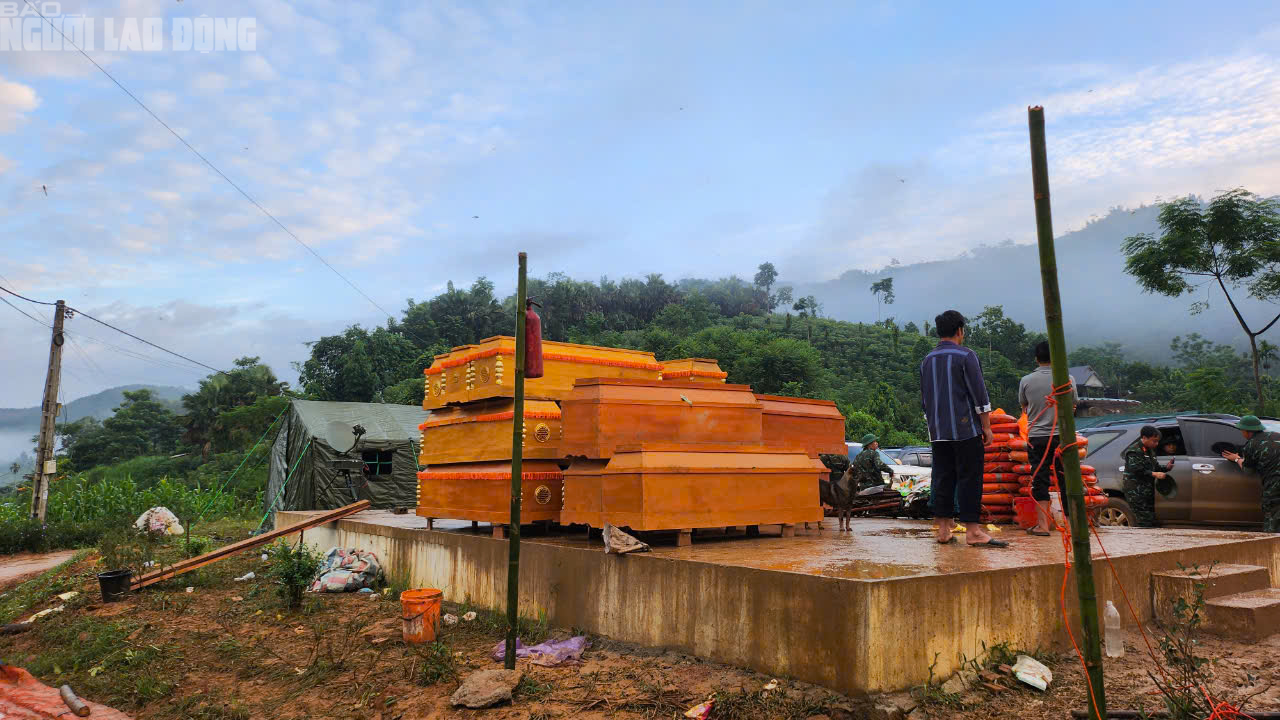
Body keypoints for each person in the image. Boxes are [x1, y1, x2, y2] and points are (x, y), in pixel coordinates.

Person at [919, 310, 1006, 547]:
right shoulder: (966, 356)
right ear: (960, 330)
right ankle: (973, 532)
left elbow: (925, 400)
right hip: (966, 430)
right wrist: (986, 427)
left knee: (943, 477)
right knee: (970, 477)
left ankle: (944, 530)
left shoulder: (927, 360)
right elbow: (979, 394)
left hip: (938, 432)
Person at [1221, 415, 1280, 532]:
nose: (1242, 433)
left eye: (1242, 431)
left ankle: (1272, 546)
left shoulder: (1251, 445)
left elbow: (1248, 470)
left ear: (1247, 432)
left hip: (1275, 485)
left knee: (1273, 521)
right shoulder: (1276, 435)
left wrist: (1237, 459)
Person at [1122, 425, 1169, 527]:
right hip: (1136, 491)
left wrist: (1166, 468)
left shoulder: (1150, 450)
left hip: (1147, 490)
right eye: (1154, 441)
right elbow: (1136, 469)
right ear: (1144, 438)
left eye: (1157, 441)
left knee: (1151, 519)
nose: (1156, 444)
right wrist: (1154, 474)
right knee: (1144, 521)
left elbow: (1155, 466)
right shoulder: (1134, 451)